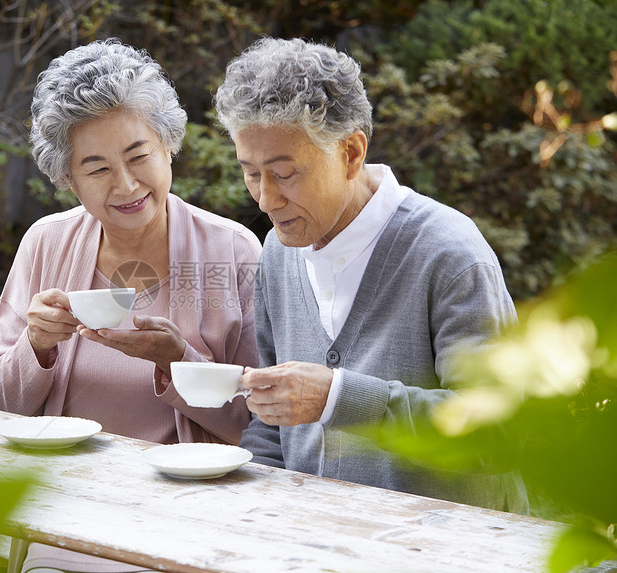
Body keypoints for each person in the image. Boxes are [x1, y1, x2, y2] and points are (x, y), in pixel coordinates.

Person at [0, 39, 261, 572]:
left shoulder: (234, 251)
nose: (126, 185)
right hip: (60, 510)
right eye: (98, 168)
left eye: (138, 156)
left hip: (189, 517)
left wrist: (175, 361)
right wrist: (34, 347)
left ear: (168, 147)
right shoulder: (46, 244)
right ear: (68, 179)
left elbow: (257, 420)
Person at [213, 37, 528, 513]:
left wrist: (340, 397)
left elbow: (500, 431)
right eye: (251, 172)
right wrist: (249, 507)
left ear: (352, 151)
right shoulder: (279, 250)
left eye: (285, 172)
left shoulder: (450, 253)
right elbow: (273, 423)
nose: (265, 199)